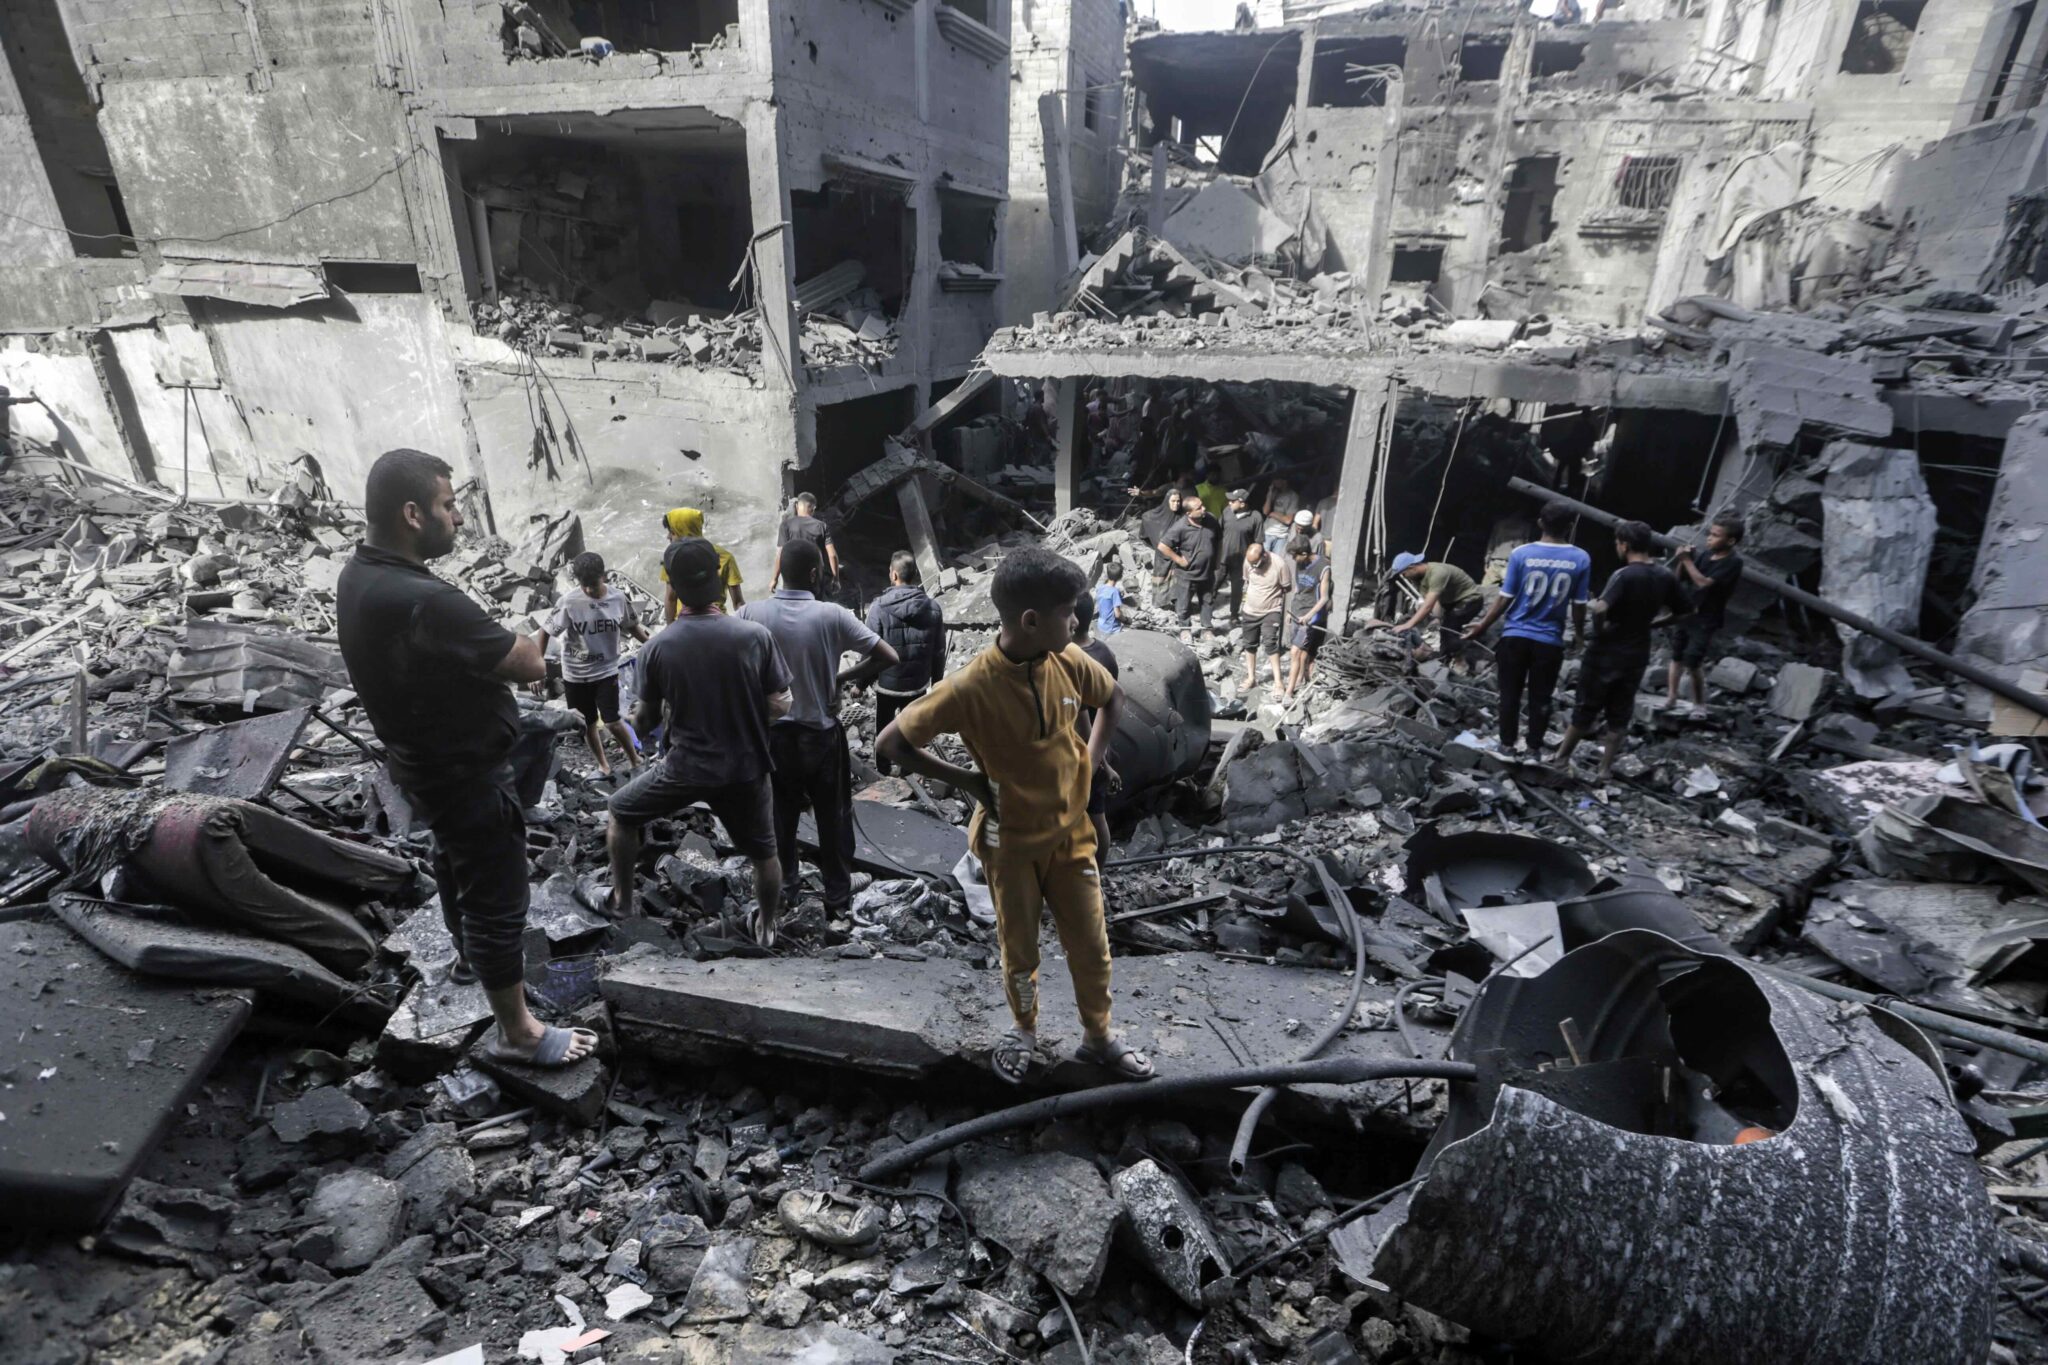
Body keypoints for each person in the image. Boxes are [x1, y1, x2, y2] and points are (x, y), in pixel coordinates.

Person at [337, 449, 596, 1068]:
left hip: (420, 762)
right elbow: (528, 664)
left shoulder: (358, 575)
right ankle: (518, 1033)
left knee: (456, 863)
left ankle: (469, 961)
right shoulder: (424, 599)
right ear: (411, 513)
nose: (457, 517)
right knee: (499, 893)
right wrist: (533, 629)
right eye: (449, 506)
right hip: (464, 770)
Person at [876, 547, 1151, 1085]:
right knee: (1019, 952)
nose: (1076, 621)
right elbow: (892, 743)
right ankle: (1023, 1028)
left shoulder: (1067, 661)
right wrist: (971, 782)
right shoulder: (970, 686)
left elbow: (1113, 699)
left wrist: (1091, 764)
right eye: (1068, 610)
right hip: (1010, 842)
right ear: (1031, 621)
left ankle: (1099, 1036)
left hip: (1071, 835)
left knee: (1091, 943)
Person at [610, 539, 794, 942]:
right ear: (717, 580)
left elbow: (648, 719)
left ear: (672, 589)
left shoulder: (656, 648)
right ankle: (765, 926)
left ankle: (623, 901)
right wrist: (741, 717)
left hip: (686, 768)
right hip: (746, 767)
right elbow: (779, 703)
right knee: (765, 853)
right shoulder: (754, 636)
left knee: (621, 811)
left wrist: (629, 727)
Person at [739, 539, 898, 926]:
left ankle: (786, 891)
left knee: (779, 819)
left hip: (773, 737)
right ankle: (837, 899)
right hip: (820, 736)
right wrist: (839, 678)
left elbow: (728, 665)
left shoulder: (750, 613)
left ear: (781, 573)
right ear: (814, 573)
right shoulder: (832, 615)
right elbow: (888, 656)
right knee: (833, 819)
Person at [1555, 520, 1690, 782]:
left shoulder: (1624, 575)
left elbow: (1601, 607)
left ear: (1624, 545)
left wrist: (1599, 628)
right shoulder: (1665, 576)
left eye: (1617, 543)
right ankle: (1604, 769)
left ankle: (1561, 758)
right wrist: (1654, 623)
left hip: (1605, 652)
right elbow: (1686, 611)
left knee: (1586, 707)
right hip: (1637, 653)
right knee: (1620, 712)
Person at [1461, 501, 1591, 753]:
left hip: (1515, 636)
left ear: (1540, 523)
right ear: (1571, 526)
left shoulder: (1522, 554)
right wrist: (1579, 635)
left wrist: (1482, 625)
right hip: (1549, 640)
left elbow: (1504, 598)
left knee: (1509, 695)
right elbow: (1579, 604)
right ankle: (1533, 750)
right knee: (1541, 698)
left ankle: (1507, 745)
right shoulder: (1580, 558)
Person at [536, 551, 648, 779]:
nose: (589, 590)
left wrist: (655, 645)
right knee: (586, 723)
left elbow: (633, 627)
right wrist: (538, 667)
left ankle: (636, 761)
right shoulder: (569, 602)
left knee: (613, 721)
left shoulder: (618, 599)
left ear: (603, 576)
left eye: (593, 585)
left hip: (606, 670)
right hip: (575, 674)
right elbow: (544, 632)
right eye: (584, 585)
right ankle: (603, 766)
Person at [868, 551, 947, 776]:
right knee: (911, 732)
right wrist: (937, 684)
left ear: (893, 574)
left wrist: (861, 683)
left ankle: (882, 772)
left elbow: (871, 652)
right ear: (914, 574)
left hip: (887, 686)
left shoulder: (878, 608)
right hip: (918, 685)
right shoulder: (932, 607)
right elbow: (938, 651)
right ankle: (908, 773)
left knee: (884, 728)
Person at [1666, 513, 1746, 717]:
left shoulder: (1732, 562)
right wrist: (1684, 560)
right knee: (1676, 655)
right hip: (1687, 613)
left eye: (1715, 535)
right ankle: (1672, 696)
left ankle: (1699, 704)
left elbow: (1703, 583)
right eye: (1709, 534)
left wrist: (1687, 561)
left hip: (1706, 618)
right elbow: (1680, 579)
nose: (1709, 538)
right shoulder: (1703, 555)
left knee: (1693, 660)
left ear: (1730, 541)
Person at [1070, 584, 1120, 868]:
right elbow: (1111, 704)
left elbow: (1082, 716)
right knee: (1096, 812)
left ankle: (1093, 872)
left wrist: (1098, 763)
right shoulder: (1104, 653)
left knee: (1093, 814)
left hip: (1083, 751)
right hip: (1101, 746)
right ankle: (1096, 871)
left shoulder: (1070, 659)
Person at [1377, 552, 1487, 666]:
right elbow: (1434, 601)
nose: (1404, 577)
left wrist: (1408, 625)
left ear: (1412, 568)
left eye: (1404, 573)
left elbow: (1428, 605)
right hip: (1451, 601)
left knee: (1449, 629)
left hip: (1470, 600)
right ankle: (1445, 658)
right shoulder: (1418, 578)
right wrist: (1437, 618)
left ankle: (1459, 662)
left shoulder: (1438, 573)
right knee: (1444, 628)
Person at [661, 508, 743, 619]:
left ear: (684, 532)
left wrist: (670, 628)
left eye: (672, 532)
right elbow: (738, 603)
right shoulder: (725, 556)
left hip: (685, 620)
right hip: (719, 619)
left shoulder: (674, 559)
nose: (668, 537)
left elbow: (671, 599)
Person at [1157, 492, 1219, 632]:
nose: (1203, 509)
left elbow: (1218, 540)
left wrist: (1217, 560)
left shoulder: (1211, 520)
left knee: (1207, 601)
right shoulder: (1180, 527)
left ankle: (1207, 629)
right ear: (1189, 513)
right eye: (1199, 508)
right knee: (1183, 604)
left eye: (1202, 505)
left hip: (1207, 572)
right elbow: (1162, 546)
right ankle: (1185, 629)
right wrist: (1179, 560)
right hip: (1186, 575)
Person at [1238, 540, 1292, 693]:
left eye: (1256, 563)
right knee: (1249, 644)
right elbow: (1246, 581)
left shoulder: (1279, 564)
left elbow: (1287, 588)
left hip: (1271, 610)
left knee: (1270, 644)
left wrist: (1286, 612)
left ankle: (1278, 682)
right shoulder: (1249, 562)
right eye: (1251, 563)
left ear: (1264, 555)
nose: (1253, 567)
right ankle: (1251, 678)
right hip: (1250, 610)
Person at [1284, 534, 1331, 697]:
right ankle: (1301, 679)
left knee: (1295, 652)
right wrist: (1291, 610)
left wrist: (1309, 615)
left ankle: (1289, 691)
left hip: (1310, 616)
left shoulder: (1323, 567)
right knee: (1301, 652)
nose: (1293, 559)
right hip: (1297, 611)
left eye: (1294, 556)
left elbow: (1324, 598)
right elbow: (1298, 588)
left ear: (1304, 553)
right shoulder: (1300, 562)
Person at [774, 492, 841, 592]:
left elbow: (780, 554)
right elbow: (832, 555)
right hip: (814, 577)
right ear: (813, 509)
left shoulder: (785, 525)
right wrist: (836, 579)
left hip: (792, 577)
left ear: (797, 506)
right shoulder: (822, 526)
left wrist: (774, 579)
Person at [1217, 488, 1265, 621]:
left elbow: (1258, 541)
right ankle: (1206, 611)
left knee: (1237, 590)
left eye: (1232, 501)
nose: (1229, 503)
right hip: (1222, 558)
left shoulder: (1255, 517)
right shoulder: (1227, 512)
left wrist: (1256, 562)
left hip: (1241, 562)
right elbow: (1217, 531)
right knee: (1214, 584)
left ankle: (1233, 615)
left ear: (1242, 503)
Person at [1140, 488, 1182, 610]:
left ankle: (1177, 604)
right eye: (1173, 501)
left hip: (1178, 556)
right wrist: (1157, 547)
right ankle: (1161, 605)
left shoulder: (1182, 517)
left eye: (1178, 501)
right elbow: (1144, 536)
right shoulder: (1152, 517)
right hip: (1162, 557)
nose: (1176, 504)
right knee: (1161, 579)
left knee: (1178, 583)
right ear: (1166, 501)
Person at [1093, 561, 1130, 637]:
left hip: (1101, 625)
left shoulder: (1100, 588)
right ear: (1120, 577)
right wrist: (1126, 620)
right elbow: (1117, 614)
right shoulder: (1115, 592)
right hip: (1112, 628)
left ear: (1107, 574)